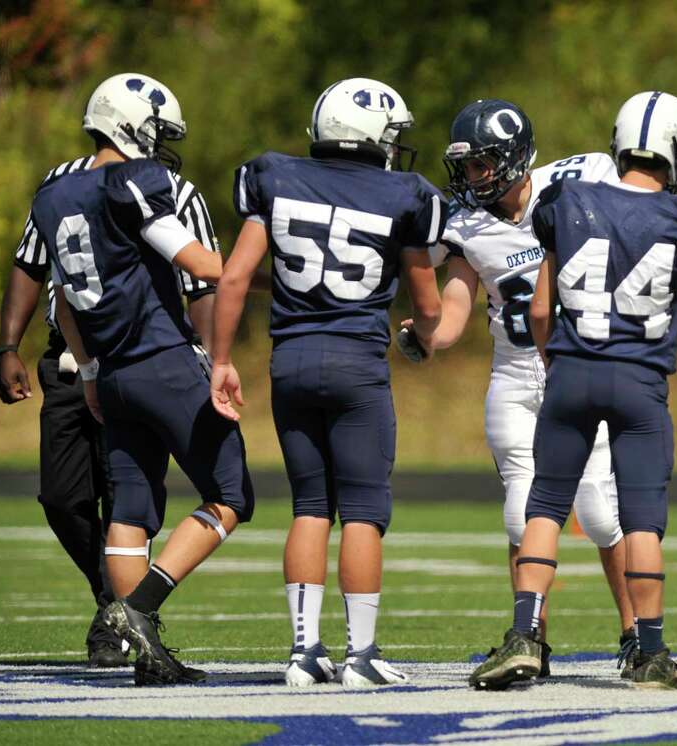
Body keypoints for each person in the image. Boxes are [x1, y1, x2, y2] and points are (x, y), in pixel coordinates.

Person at [469, 90, 677, 691]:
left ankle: (525, 636)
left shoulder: (568, 200)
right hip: (640, 384)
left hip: (572, 374)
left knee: (543, 508)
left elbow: (541, 309)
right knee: (640, 521)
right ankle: (650, 651)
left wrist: (553, 357)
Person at [211, 78, 443, 688]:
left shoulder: (275, 176)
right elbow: (428, 303)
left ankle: (302, 654)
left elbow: (233, 280)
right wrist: (421, 334)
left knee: (310, 506)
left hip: (289, 361)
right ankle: (360, 658)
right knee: (364, 510)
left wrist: (220, 359)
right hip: (356, 366)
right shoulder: (406, 193)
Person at [29, 73, 254, 687]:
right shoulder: (135, 183)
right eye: (156, 129)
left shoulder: (54, 195)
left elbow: (66, 304)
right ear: (129, 123)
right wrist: (267, 260)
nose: (161, 145)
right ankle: (139, 609)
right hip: (163, 360)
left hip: (114, 372)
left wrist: (94, 373)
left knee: (131, 509)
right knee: (232, 496)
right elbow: (199, 265)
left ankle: (147, 655)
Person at [405, 98, 635, 678]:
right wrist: (426, 335)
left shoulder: (574, 189)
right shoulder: (467, 226)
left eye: (481, 164)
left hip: (576, 370)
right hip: (514, 379)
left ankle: (637, 635)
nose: (471, 177)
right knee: (519, 514)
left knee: (604, 515)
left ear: (512, 157)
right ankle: (531, 640)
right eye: (467, 166)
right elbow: (454, 318)